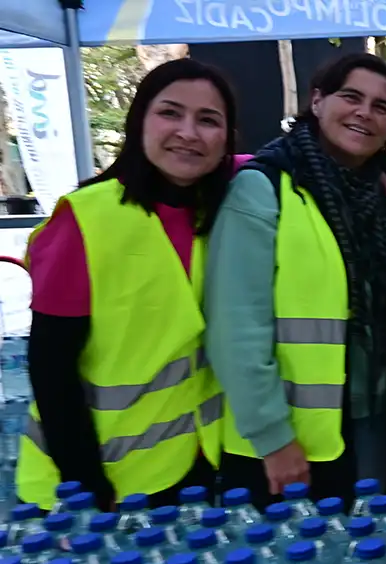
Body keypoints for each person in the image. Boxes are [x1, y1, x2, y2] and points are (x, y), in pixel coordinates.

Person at [17, 59, 236, 510]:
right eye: (170, 113)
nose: (189, 133)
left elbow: (278, 162)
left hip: (194, 468)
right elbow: (50, 367)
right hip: (94, 485)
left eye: (208, 120)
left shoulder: (222, 211)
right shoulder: (86, 218)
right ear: (140, 121)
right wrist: (84, 485)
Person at [206, 52, 386, 509]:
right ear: (317, 101)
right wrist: (273, 438)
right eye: (351, 97)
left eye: (382, 107)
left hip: (375, 424)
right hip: (288, 449)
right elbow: (235, 329)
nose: (365, 112)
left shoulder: (382, 196)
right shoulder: (263, 187)